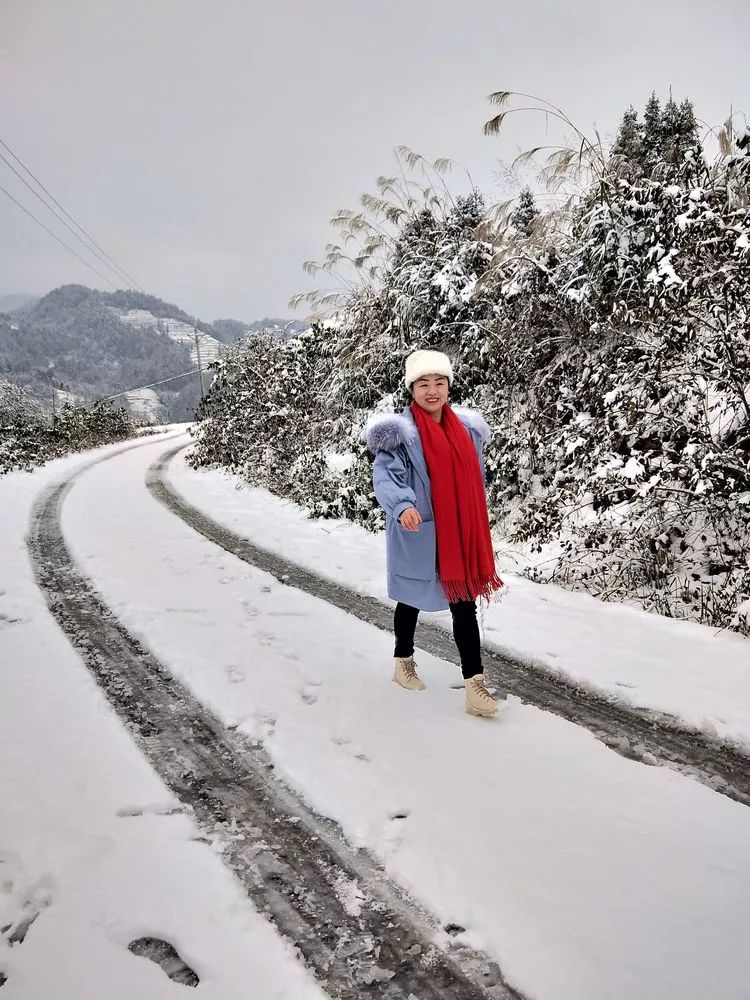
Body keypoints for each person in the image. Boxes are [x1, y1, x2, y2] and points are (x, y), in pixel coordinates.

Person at [365, 349, 504, 717]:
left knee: (464, 604)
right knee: (410, 598)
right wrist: (403, 505)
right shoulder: (399, 435)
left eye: (439, 382)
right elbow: (386, 476)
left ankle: (475, 685)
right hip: (420, 530)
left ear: (448, 385)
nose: (432, 390)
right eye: (423, 383)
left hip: (459, 533)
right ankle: (403, 661)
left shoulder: (468, 431)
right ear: (412, 388)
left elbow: (475, 477)